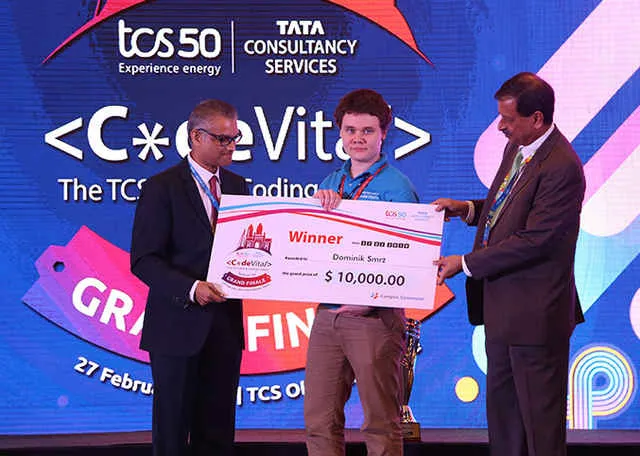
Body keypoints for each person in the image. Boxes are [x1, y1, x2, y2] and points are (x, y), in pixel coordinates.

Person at [433, 72, 585, 456]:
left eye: (508, 119)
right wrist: (468, 210)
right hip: (501, 314)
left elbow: (535, 240)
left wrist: (465, 263)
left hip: (536, 320)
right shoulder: (518, 147)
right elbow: (507, 210)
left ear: (537, 118)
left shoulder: (562, 166)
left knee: (540, 432)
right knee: (504, 428)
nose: (500, 126)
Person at [304, 88, 419, 456]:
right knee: (319, 421)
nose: (358, 138)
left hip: (374, 319)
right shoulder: (329, 184)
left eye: (367, 131)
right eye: (350, 130)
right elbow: (309, 250)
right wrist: (314, 212)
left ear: (383, 133)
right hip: (327, 317)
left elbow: (409, 258)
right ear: (340, 132)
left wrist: (370, 301)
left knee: (380, 424)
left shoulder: (397, 188)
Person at [130, 99, 248, 456]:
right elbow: (144, 260)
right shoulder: (161, 187)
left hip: (225, 328)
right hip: (176, 328)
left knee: (217, 432)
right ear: (196, 136)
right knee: (172, 433)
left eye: (235, 138)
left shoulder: (238, 186)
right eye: (222, 139)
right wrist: (192, 288)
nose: (231, 146)